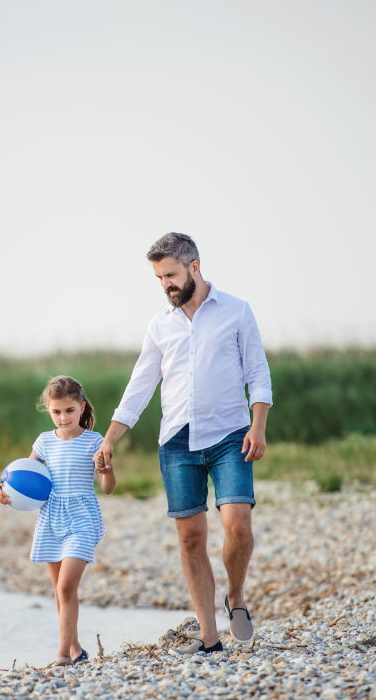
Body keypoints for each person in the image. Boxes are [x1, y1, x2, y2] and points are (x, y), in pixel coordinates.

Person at [94, 232, 272, 655]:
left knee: (238, 527)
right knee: (191, 538)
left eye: (171, 274)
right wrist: (109, 439)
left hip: (231, 436)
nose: (166, 285)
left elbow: (259, 373)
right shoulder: (160, 326)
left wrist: (258, 425)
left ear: (195, 266)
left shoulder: (236, 311)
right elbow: (139, 388)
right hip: (176, 442)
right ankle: (209, 637)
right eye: (159, 278)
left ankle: (236, 598)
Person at [0, 375, 116, 666]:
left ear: (82, 407)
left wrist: (106, 467)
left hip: (82, 517)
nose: (63, 418)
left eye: (70, 410)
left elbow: (108, 487)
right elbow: (20, 476)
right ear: (48, 410)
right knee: (59, 591)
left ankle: (61, 655)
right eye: (56, 411)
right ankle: (75, 649)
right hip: (51, 517)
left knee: (66, 587)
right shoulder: (45, 441)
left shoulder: (95, 441)